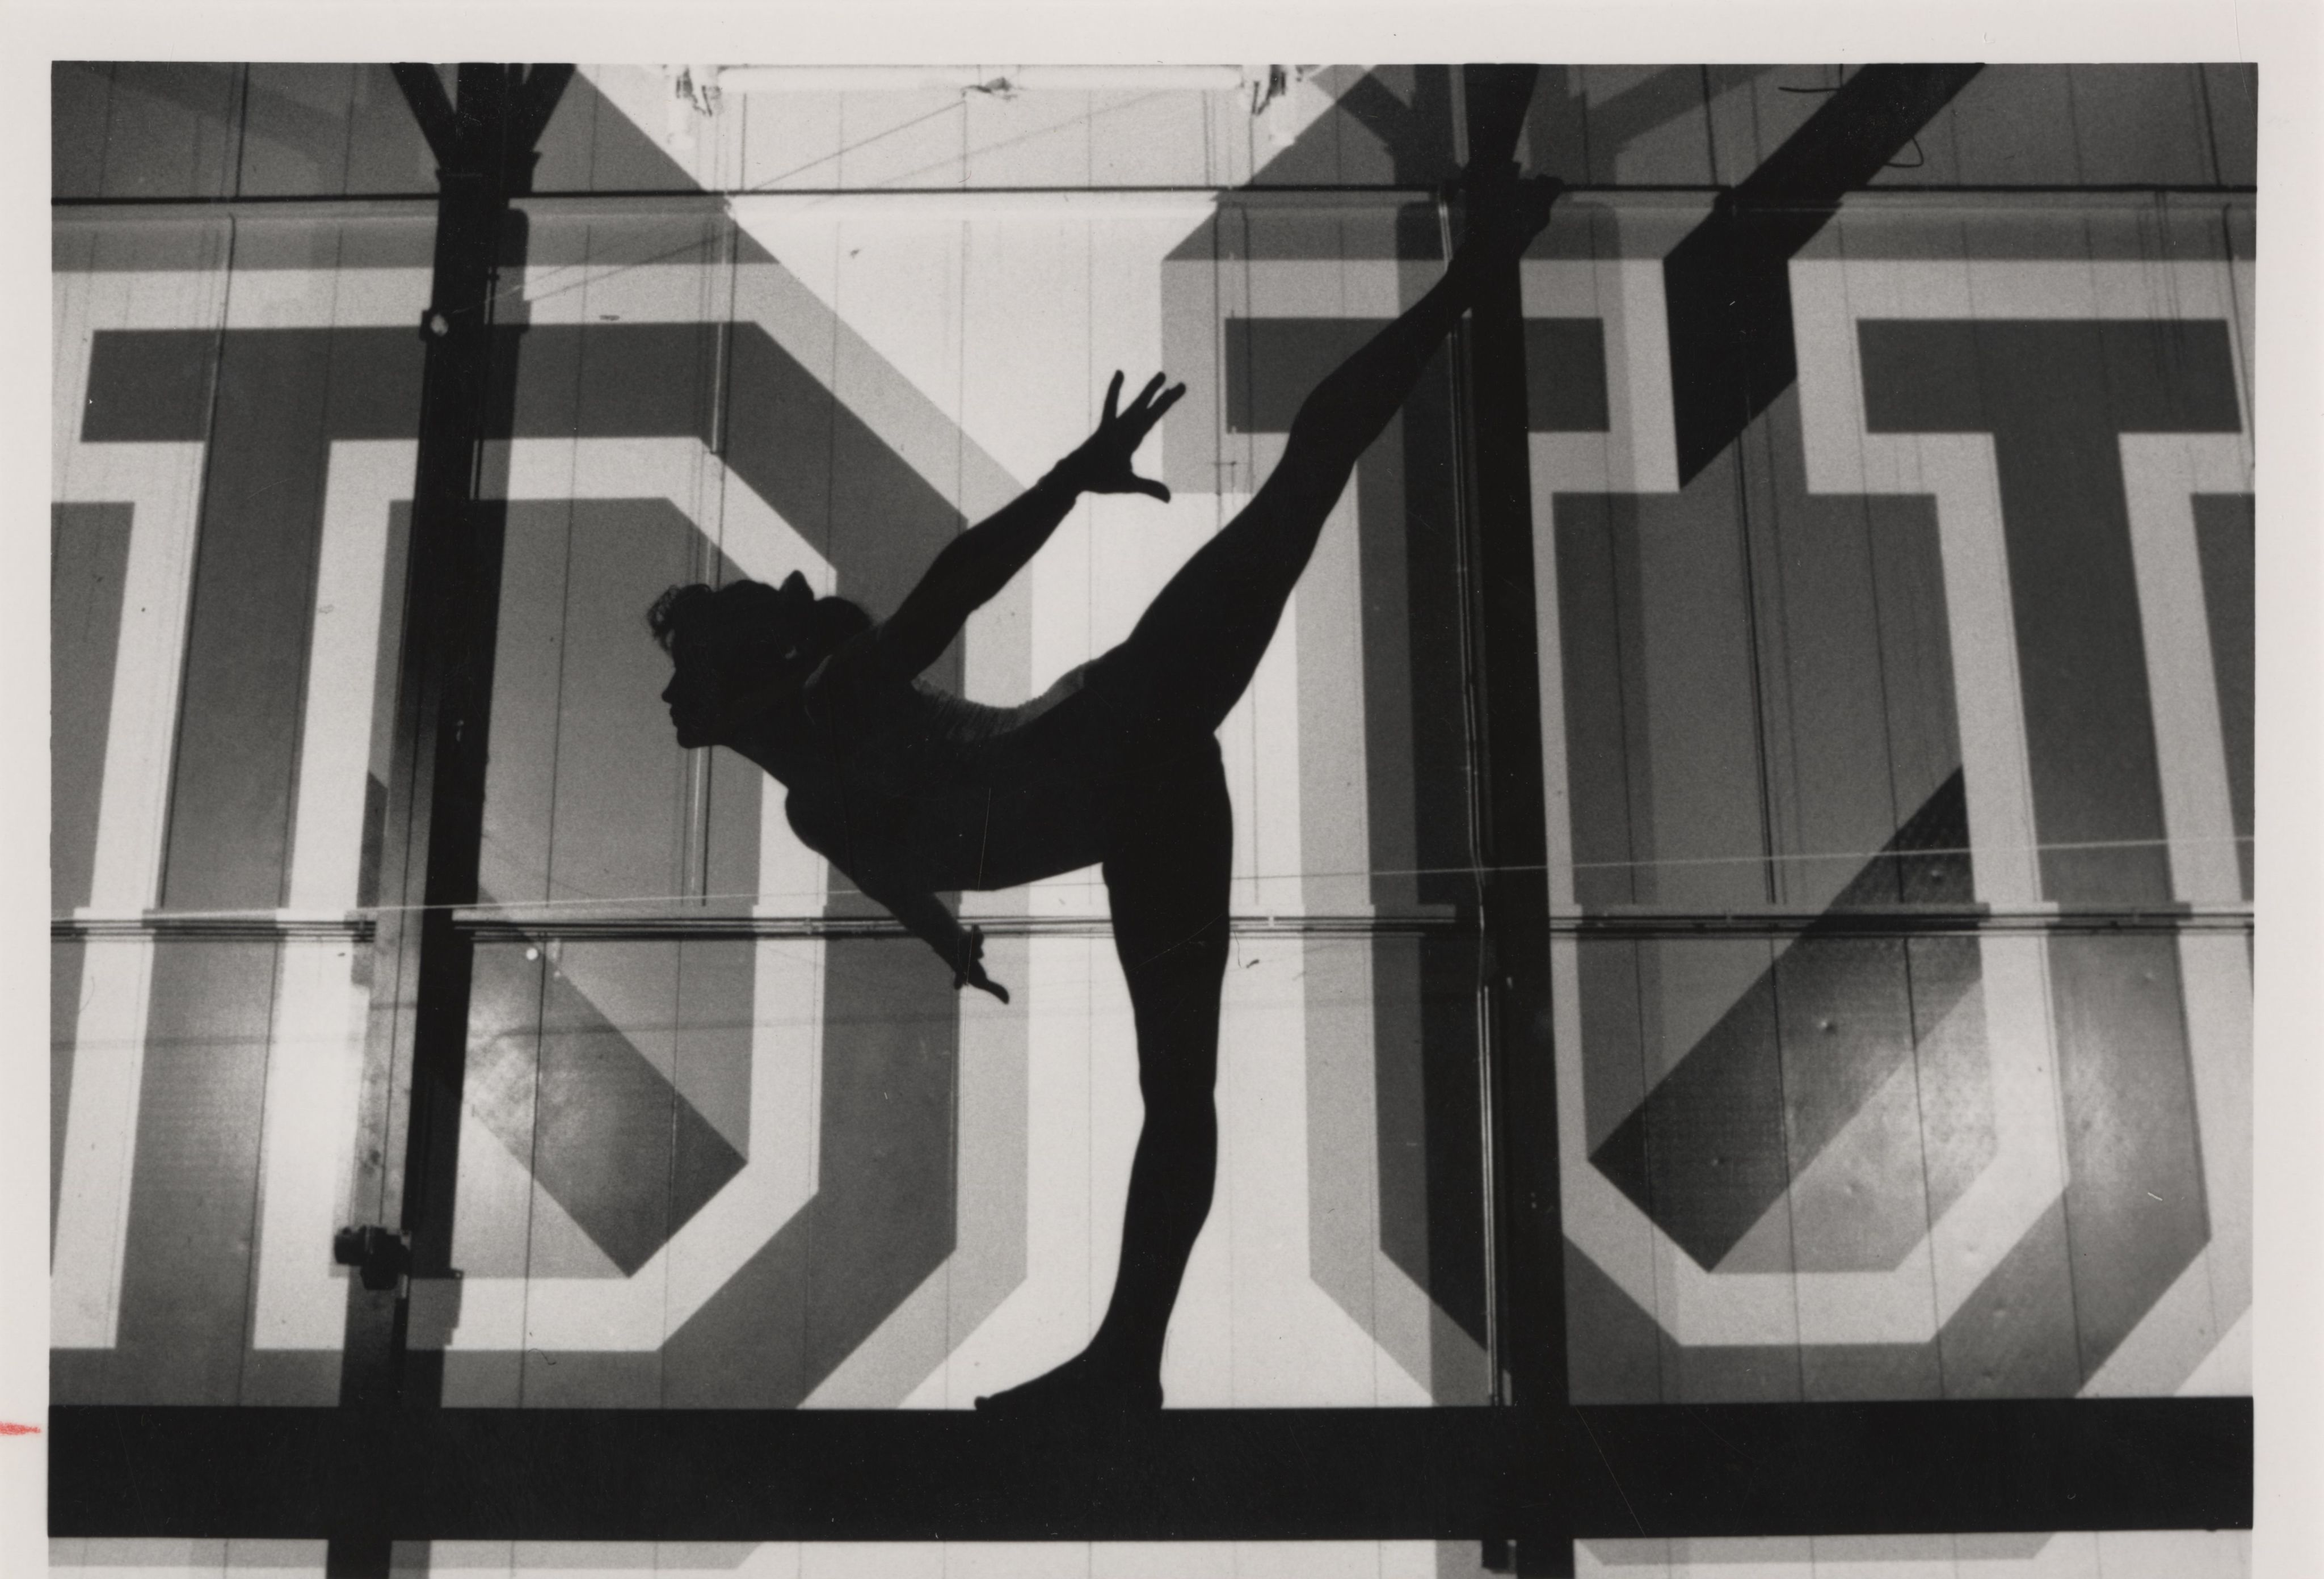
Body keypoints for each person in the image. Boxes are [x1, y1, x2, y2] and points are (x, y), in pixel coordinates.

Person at [650, 166, 1563, 1416]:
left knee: (1305, 474)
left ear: (746, 682)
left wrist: (1075, 478)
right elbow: (903, 889)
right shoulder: (819, 807)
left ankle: (1475, 269)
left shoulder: (845, 695)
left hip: (1122, 718)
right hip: (1146, 800)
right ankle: (1127, 1360)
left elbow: (957, 583)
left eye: (684, 667)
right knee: (1174, 1093)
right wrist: (948, 948)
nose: (667, 695)